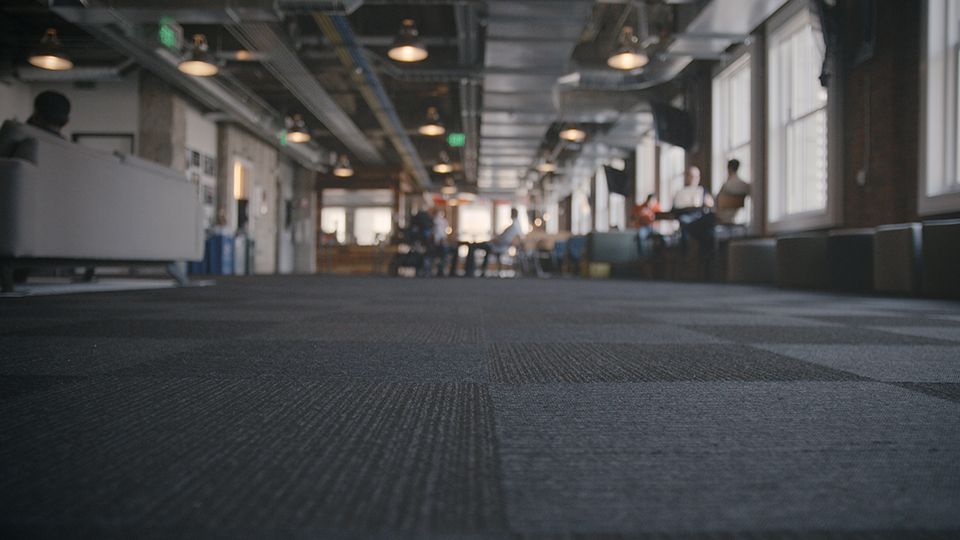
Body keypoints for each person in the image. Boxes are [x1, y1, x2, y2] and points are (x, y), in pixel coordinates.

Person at [455, 208, 524, 277]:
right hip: (498, 245)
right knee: (479, 246)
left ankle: (469, 270)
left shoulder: (514, 227)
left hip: (498, 246)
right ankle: (480, 270)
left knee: (473, 246)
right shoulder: (517, 226)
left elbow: (504, 239)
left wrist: (495, 239)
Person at [671, 166, 715, 253]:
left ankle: (707, 256)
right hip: (686, 217)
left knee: (709, 228)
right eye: (691, 176)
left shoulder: (703, 190)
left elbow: (711, 205)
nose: (694, 179)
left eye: (696, 176)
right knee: (685, 223)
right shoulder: (680, 192)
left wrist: (709, 203)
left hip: (700, 218)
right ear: (687, 177)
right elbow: (674, 210)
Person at [715, 159, 750, 225]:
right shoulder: (744, 185)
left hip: (726, 218)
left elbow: (718, 201)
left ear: (729, 169)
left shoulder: (726, 185)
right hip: (741, 218)